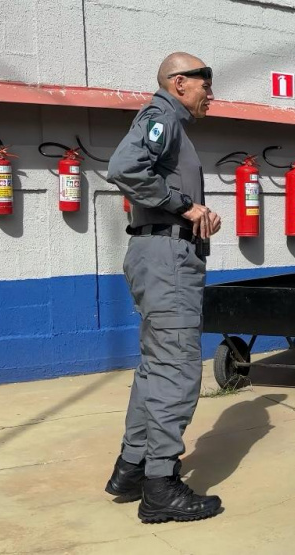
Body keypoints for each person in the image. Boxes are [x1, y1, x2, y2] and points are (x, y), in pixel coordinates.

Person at [104, 52, 223, 523]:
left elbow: (137, 177)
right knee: (176, 369)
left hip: (158, 256)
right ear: (179, 83)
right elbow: (125, 168)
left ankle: (132, 468)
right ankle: (161, 488)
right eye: (204, 84)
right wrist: (187, 207)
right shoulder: (162, 117)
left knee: (156, 368)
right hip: (168, 260)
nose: (210, 94)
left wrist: (167, 202)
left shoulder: (170, 127)